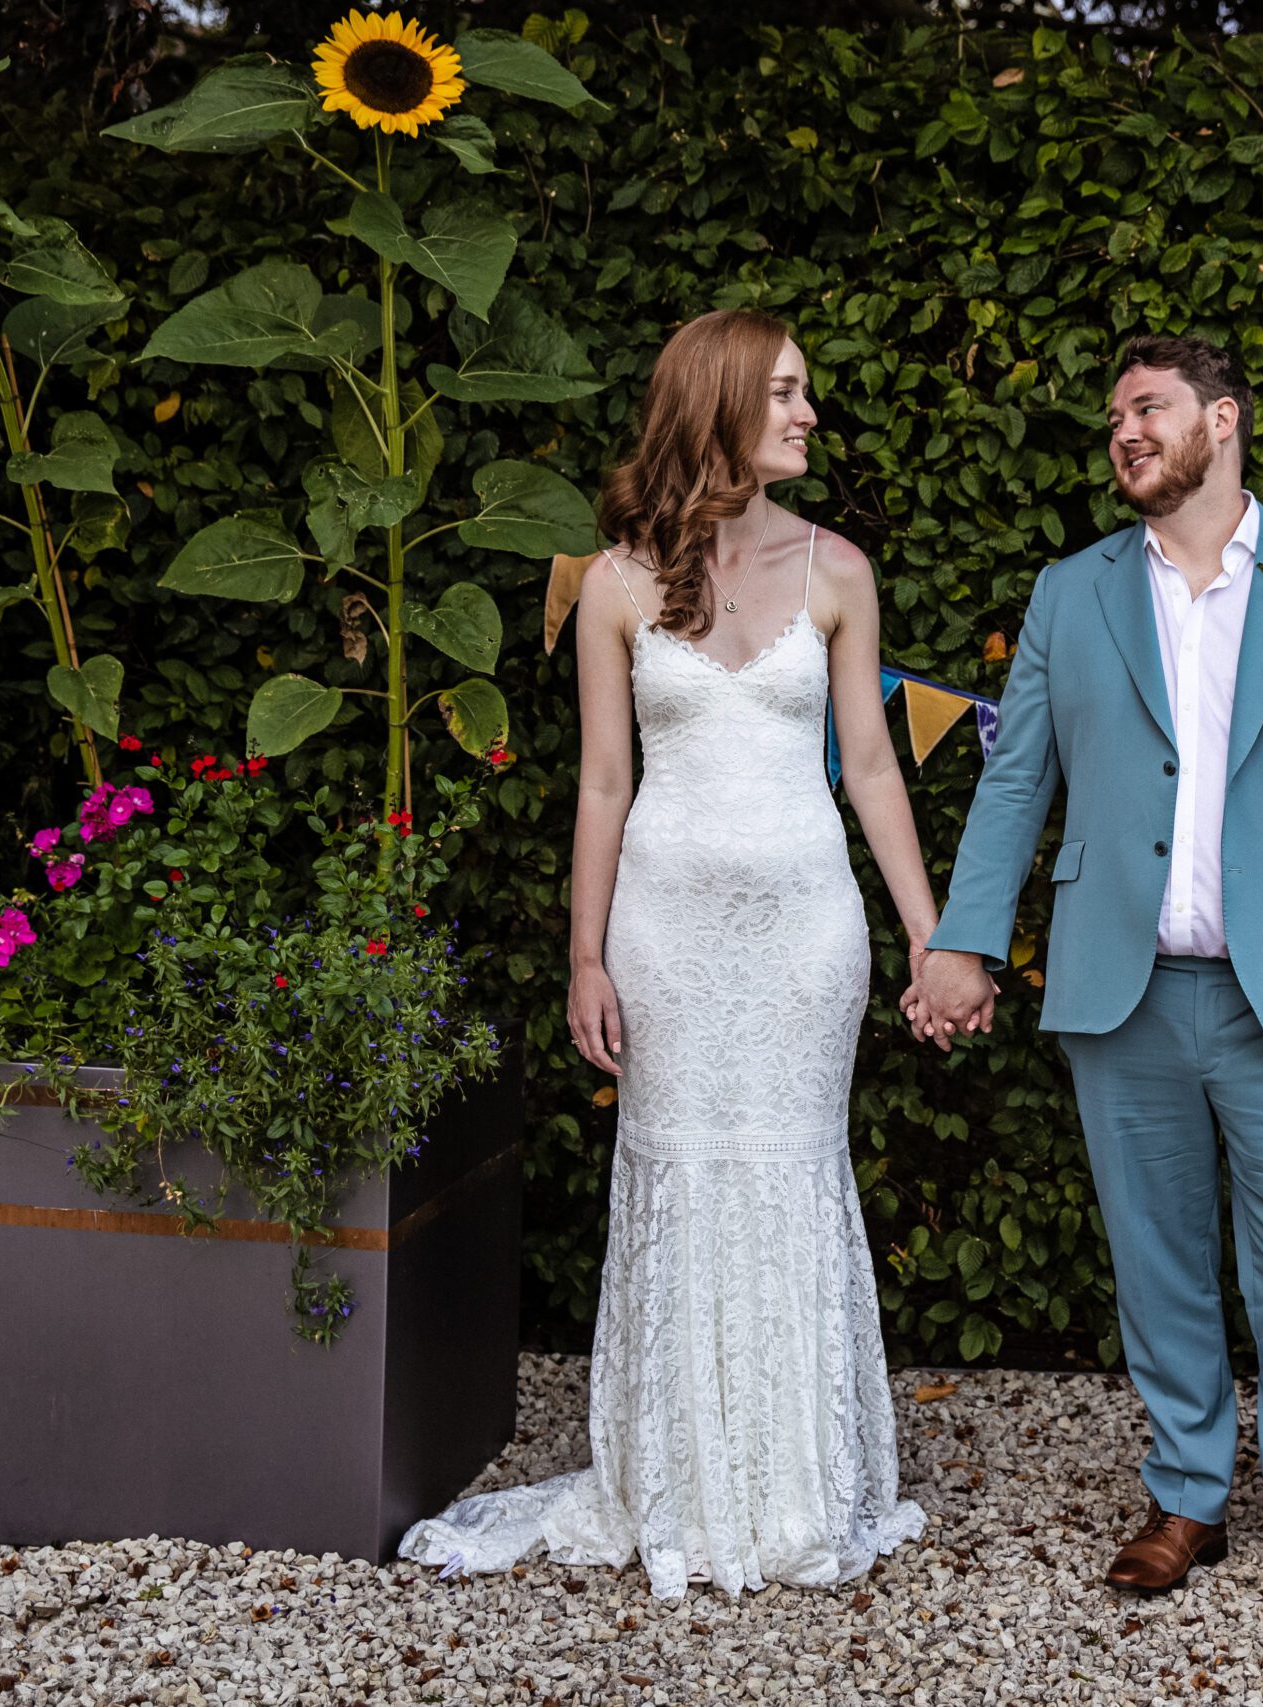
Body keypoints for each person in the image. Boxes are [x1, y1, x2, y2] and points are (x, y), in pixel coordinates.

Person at [399, 308, 930, 1598]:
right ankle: (684, 1483)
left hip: (806, 938)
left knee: (792, 1172)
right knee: (681, 1179)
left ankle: (795, 1489)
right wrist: (585, 957)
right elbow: (602, 783)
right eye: (786, 392)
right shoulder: (615, 584)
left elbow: (870, 764)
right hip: (667, 940)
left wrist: (932, 933)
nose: (807, 414)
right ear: (722, 402)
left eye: (805, 392)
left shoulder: (838, 572)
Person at [909, 335, 1263, 1607]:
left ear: (1221, 420)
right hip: (1121, 988)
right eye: (1113, 417)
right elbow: (1016, 780)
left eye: (1148, 407)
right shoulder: (1071, 593)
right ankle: (1185, 1494)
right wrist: (963, 941)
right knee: (1155, 1261)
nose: (1124, 431)